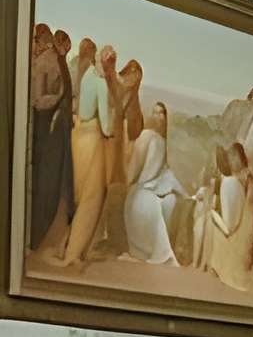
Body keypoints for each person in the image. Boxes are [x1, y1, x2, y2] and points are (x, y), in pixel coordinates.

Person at [61, 38, 111, 267]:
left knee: (78, 196)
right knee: (92, 199)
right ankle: (75, 253)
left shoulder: (87, 73)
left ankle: (67, 247)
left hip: (77, 137)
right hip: (92, 141)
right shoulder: (101, 84)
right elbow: (106, 126)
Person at [123, 104, 184, 267]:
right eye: (155, 113)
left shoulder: (160, 140)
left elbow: (161, 172)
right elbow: (134, 169)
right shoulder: (147, 136)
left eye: (161, 113)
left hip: (147, 192)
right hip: (141, 192)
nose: (158, 117)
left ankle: (148, 251)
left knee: (168, 202)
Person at [28, 23, 68, 250]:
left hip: (42, 122)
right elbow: (39, 98)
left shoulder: (46, 62)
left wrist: (57, 100)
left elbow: (38, 99)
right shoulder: (46, 62)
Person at [209, 140, 253, 290]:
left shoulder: (247, 179)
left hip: (245, 230)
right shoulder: (235, 178)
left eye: (233, 157)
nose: (230, 161)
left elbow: (250, 215)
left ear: (240, 159)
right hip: (239, 223)